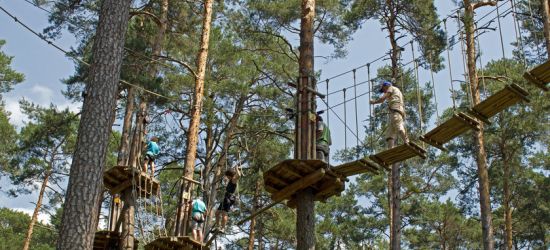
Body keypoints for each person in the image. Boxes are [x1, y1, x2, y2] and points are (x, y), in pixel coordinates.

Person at [370, 81, 409, 148]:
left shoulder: (391, 88)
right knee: (390, 133)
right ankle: (391, 149)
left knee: (398, 125)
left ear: (386, 86)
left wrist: (373, 102)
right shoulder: (397, 91)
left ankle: (406, 141)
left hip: (396, 110)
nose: (384, 91)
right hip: (394, 111)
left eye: (383, 89)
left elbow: (382, 99)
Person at [215, 167, 241, 232]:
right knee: (217, 213)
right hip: (226, 197)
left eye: (227, 176)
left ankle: (223, 228)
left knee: (224, 213)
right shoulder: (230, 180)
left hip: (229, 198)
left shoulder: (233, 180)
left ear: (230, 175)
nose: (226, 177)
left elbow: (239, 175)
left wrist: (237, 168)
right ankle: (218, 227)